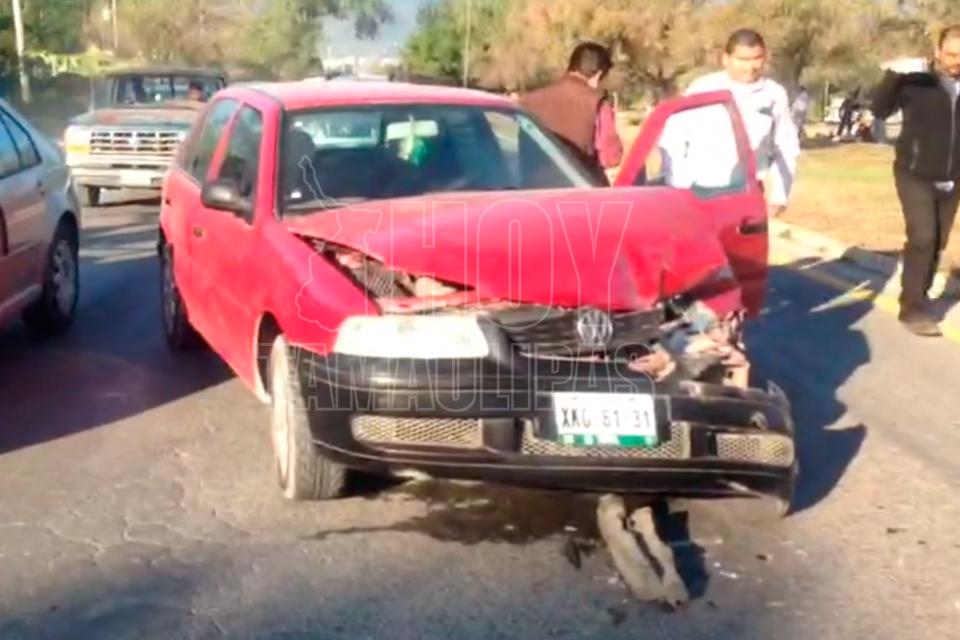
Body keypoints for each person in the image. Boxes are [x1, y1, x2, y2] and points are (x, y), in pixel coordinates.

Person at [871, 24, 960, 337]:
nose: (956, 62)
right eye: (951, 55)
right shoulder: (916, 81)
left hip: (953, 176)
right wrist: (893, 76)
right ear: (937, 51)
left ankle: (919, 296)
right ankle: (912, 308)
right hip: (914, 172)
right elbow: (880, 109)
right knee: (922, 236)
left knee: (937, 242)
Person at [681, 29, 801, 218]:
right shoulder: (703, 88)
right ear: (725, 59)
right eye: (743, 60)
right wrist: (677, 185)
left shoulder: (774, 94)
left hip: (747, 194)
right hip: (698, 192)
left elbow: (785, 146)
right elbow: (676, 138)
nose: (750, 67)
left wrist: (779, 195)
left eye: (757, 58)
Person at [520, 41, 623, 185]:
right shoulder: (596, 103)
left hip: (533, 187)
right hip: (578, 187)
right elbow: (611, 157)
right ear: (598, 75)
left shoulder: (528, 101)